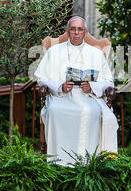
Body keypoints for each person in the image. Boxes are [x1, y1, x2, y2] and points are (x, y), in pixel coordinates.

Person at [34, 16, 118, 166]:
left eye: (80, 29)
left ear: (85, 32)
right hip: (62, 97)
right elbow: (42, 79)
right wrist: (60, 86)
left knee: (94, 112)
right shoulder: (54, 51)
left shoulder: (96, 53)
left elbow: (108, 81)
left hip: (89, 97)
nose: (76, 33)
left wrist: (92, 87)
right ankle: (57, 162)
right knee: (53, 110)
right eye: (73, 29)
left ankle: (89, 162)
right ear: (68, 32)